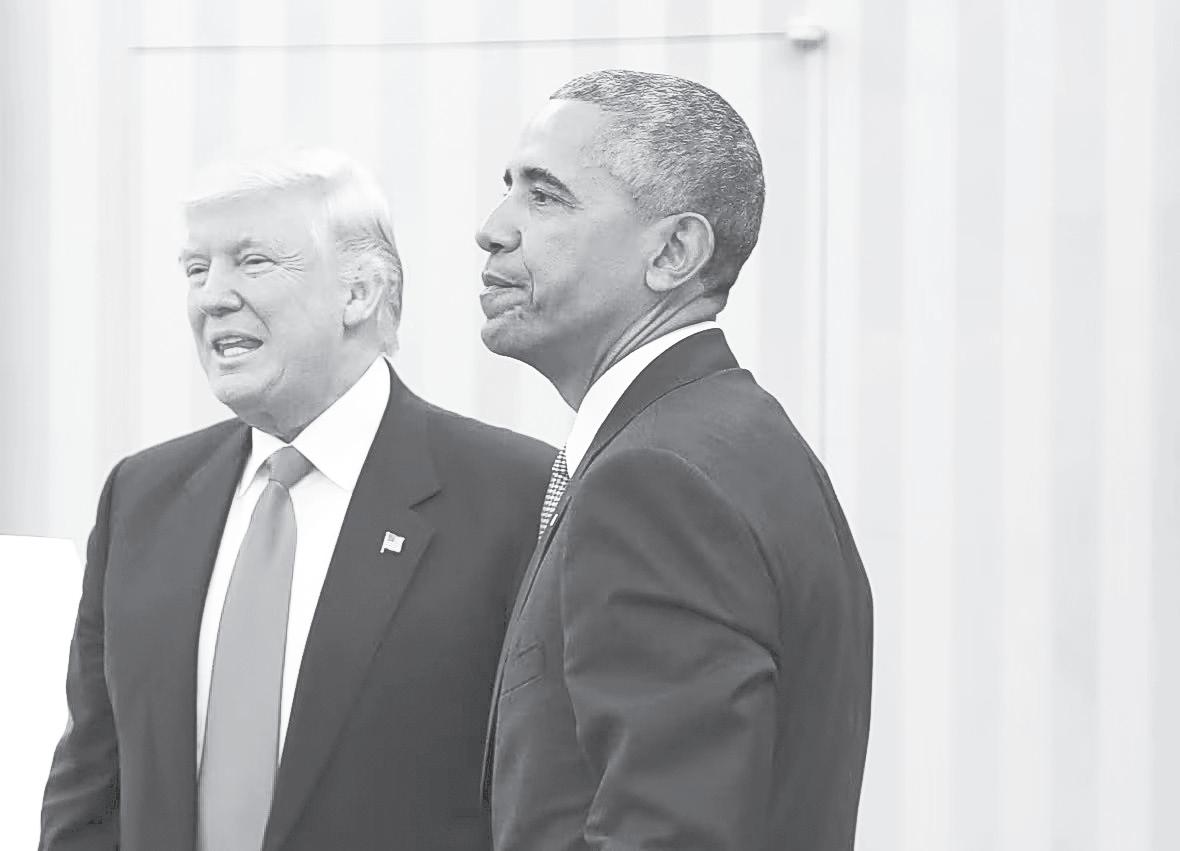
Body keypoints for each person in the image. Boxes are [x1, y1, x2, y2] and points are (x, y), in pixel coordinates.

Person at [40, 150, 554, 851]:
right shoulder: (142, 496)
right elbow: (90, 787)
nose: (212, 297)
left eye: (252, 262)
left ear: (359, 293)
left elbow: (544, 790)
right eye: (196, 269)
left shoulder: (517, 496)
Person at [476, 70, 873, 850]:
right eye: (508, 189)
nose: (493, 228)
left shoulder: (656, 481)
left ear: (674, 251)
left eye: (545, 196)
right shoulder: (729, 443)